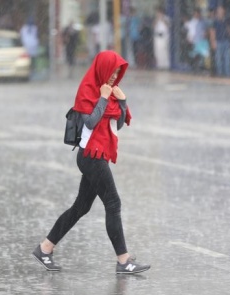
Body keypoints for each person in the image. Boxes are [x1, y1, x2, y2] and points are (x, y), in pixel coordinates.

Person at [32, 50, 150, 275]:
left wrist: (122, 102)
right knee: (113, 204)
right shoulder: (88, 90)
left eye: (118, 72)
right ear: (103, 69)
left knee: (81, 207)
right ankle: (123, 260)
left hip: (98, 155)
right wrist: (103, 98)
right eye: (113, 71)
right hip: (90, 156)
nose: (115, 76)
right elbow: (90, 123)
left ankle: (45, 248)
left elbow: (118, 125)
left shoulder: (111, 93)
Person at [210, 6, 230, 77]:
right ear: (217, 13)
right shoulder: (214, 21)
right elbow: (212, 32)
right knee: (219, 59)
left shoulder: (226, 21)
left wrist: (228, 29)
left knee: (227, 58)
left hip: (226, 41)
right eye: (219, 12)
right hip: (218, 41)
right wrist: (213, 42)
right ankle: (220, 73)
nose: (221, 13)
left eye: (222, 11)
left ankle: (227, 74)